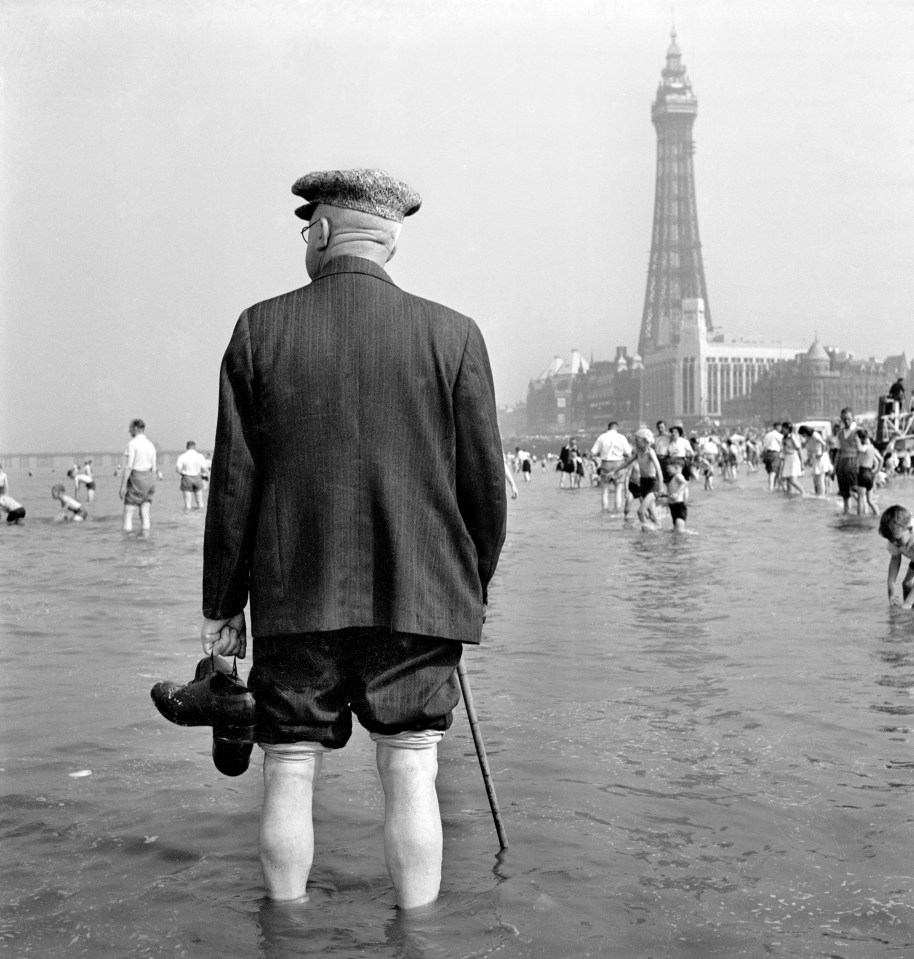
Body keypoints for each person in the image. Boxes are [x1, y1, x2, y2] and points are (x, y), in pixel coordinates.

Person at [199, 168, 507, 910]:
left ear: (324, 233)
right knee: (411, 769)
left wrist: (223, 603)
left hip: (295, 597)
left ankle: (287, 931)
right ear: (390, 244)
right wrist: (466, 585)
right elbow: (486, 493)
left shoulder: (258, 329)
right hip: (421, 598)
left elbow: (234, 486)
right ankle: (418, 934)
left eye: (308, 229)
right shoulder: (455, 335)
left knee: (289, 769)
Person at [613, 427, 663, 528]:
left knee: (640, 512)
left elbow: (658, 469)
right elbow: (627, 462)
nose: (635, 441)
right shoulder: (638, 452)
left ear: (645, 440)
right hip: (643, 484)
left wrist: (661, 487)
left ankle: (647, 531)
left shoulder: (650, 452)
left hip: (652, 485)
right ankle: (655, 534)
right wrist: (613, 471)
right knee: (653, 517)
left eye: (637, 439)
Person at [119, 418, 157, 533]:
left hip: (137, 477)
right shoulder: (151, 445)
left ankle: (127, 543)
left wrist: (123, 486)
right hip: (150, 479)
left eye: (130, 428)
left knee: (128, 514)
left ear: (135, 428)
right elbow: (154, 469)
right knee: (145, 514)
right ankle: (146, 538)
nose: (129, 431)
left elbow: (129, 466)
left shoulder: (132, 444)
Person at [589, 421, 632, 512]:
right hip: (619, 464)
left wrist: (598, 459)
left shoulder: (602, 437)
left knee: (605, 491)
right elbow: (628, 454)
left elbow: (592, 453)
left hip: (606, 464)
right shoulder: (621, 437)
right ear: (617, 428)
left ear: (608, 427)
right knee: (618, 491)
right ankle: (617, 511)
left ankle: (604, 511)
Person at [878, 505, 914, 607]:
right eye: (891, 539)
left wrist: (907, 603)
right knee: (907, 584)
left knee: (909, 601)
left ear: (910, 530)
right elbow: (895, 561)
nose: (894, 543)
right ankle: (910, 617)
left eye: (897, 539)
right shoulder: (894, 538)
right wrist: (891, 591)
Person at [834, 407, 860, 514]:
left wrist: (859, 466)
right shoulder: (840, 434)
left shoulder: (858, 432)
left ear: (853, 418)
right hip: (842, 464)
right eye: (844, 419)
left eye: (848, 419)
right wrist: (834, 467)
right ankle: (847, 513)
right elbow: (838, 452)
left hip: (854, 462)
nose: (846, 421)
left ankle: (862, 511)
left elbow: (862, 451)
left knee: (856, 491)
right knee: (844, 493)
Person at [854, 429, 883, 516]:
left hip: (863, 472)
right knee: (870, 500)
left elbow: (860, 449)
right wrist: (877, 471)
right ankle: (878, 515)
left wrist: (856, 439)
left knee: (860, 498)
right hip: (870, 473)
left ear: (861, 439)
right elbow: (881, 460)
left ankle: (859, 519)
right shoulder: (872, 448)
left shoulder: (866, 446)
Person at [175, 441, 209, 510]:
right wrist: (207, 482)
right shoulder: (200, 456)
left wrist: (183, 474)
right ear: (194, 447)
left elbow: (178, 469)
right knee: (200, 502)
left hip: (187, 477)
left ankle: (188, 518)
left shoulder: (182, 456)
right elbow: (206, 470)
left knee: (188, 504)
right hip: (197, 477)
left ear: (187, 447)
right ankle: (199, 517)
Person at [797, 425, 829, 496]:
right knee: (815, 478)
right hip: (814, 457)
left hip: (819, 456)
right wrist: (808, 459)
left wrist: (821, 454)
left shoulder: (815, 435)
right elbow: (809, 449)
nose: (803, 436)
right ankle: (818, 493)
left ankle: (822, 494)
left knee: (820, 478)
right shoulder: (808, 438)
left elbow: (824, 444)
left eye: (803, 434)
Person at [661, 459, 689, 531]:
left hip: (679, 507)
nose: (667, 470)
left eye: (668, 468)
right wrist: (664, 495)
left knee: (679, 530)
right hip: (673, 507)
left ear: (676, 467)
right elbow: (671, 493)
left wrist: (677, 493)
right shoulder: (673, 478)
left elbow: (685, 483)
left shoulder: (678, 476)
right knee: (675, 529)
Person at [779, 422, 805, 497]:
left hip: (793, 457)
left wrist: (802, 462)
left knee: (792, 480)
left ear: (788, 429)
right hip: (787, 458)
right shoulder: (784, 437)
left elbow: (799, 449)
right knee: (786, 479)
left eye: (784, 428)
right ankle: (788, 494)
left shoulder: (793, 437)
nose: (782, 430)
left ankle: (803, 492)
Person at [760, 423, 783, 492]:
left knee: (770, 471)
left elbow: (764, 446)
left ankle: (771, 486)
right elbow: (783, 444)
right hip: (775, 453)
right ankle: (773, 488)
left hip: (767, 453)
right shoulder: (778, 435)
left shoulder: (767, 435)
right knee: (774, 471)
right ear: (778, 427)